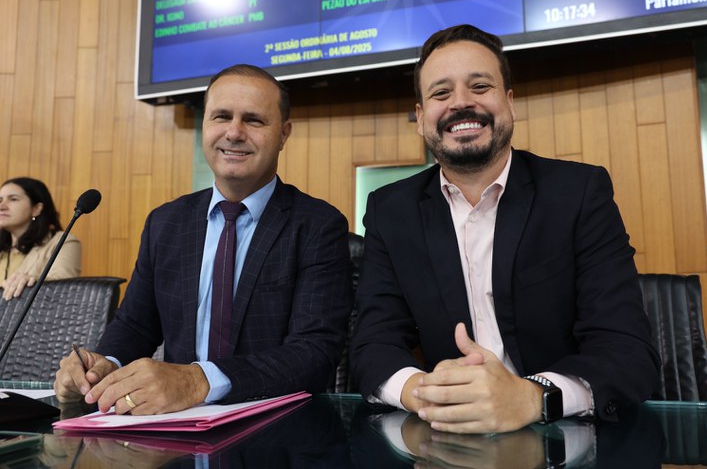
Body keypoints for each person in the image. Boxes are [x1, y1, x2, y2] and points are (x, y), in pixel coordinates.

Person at [349, 25, 660, 434]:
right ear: (421, 118)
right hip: (449, 438)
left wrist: (531, 397)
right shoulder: (391, 211)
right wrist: (427, 395)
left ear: (510, 103)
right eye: (441, 93)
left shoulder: (579, 193)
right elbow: (372, 345)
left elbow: (628, 351)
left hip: (568, 438)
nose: (461, 102)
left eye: (480, 86)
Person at [54, 64, 353, 415]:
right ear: (205, 126)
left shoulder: (318, 225)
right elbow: (135, 326)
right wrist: (105, 365)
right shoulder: (165, 222)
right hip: (174, 425)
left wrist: (199, 381)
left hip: (276, 425)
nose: (234, 132)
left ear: (284, 134)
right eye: (221, 117)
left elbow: (315, 354)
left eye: (254, 120)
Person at [0, 177, 81, 300]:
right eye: (0, 200)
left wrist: (33, 281)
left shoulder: (62, 242)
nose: (2, 206)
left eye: (13, 199)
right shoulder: (3, 250)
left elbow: (64, 287)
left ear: (36, 209)